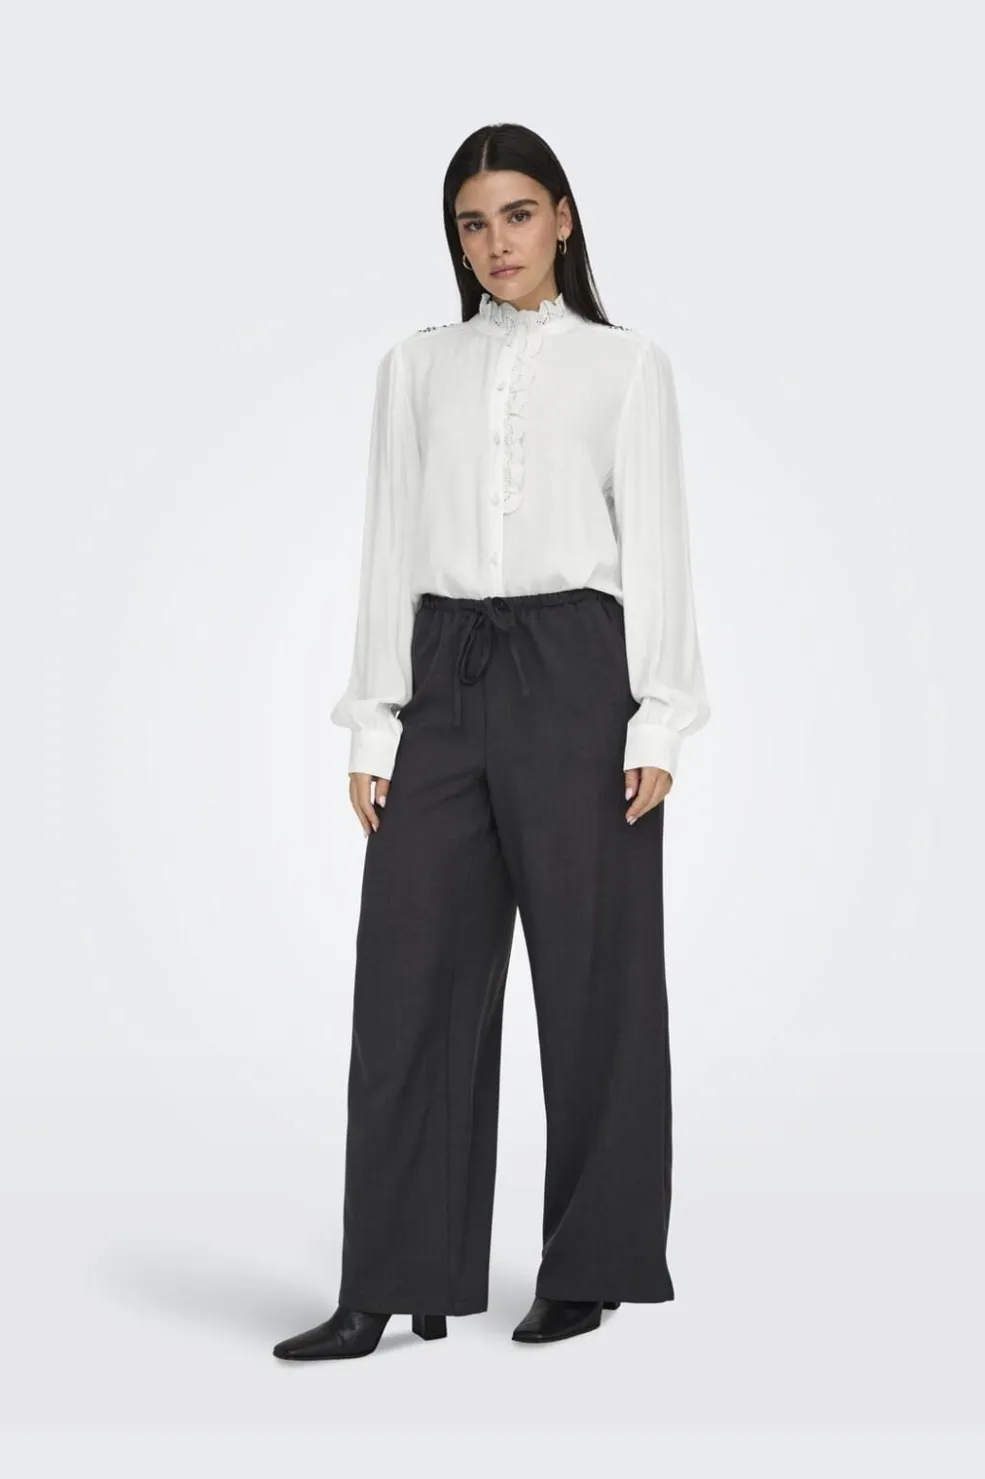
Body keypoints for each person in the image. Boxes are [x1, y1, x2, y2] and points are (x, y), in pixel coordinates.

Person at [273, 121, 711, 1361]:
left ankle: (593, 1263)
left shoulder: (626, 366)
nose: (496, 242)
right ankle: (389, 1280)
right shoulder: (415, 367)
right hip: (443, 670)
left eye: (518, 214)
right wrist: (372, 721)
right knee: (405, 982)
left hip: (578, 674)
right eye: (473, 222)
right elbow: (388, 544)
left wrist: (660, 715)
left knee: (595, 982)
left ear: (562, 218)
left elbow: (658, 543)